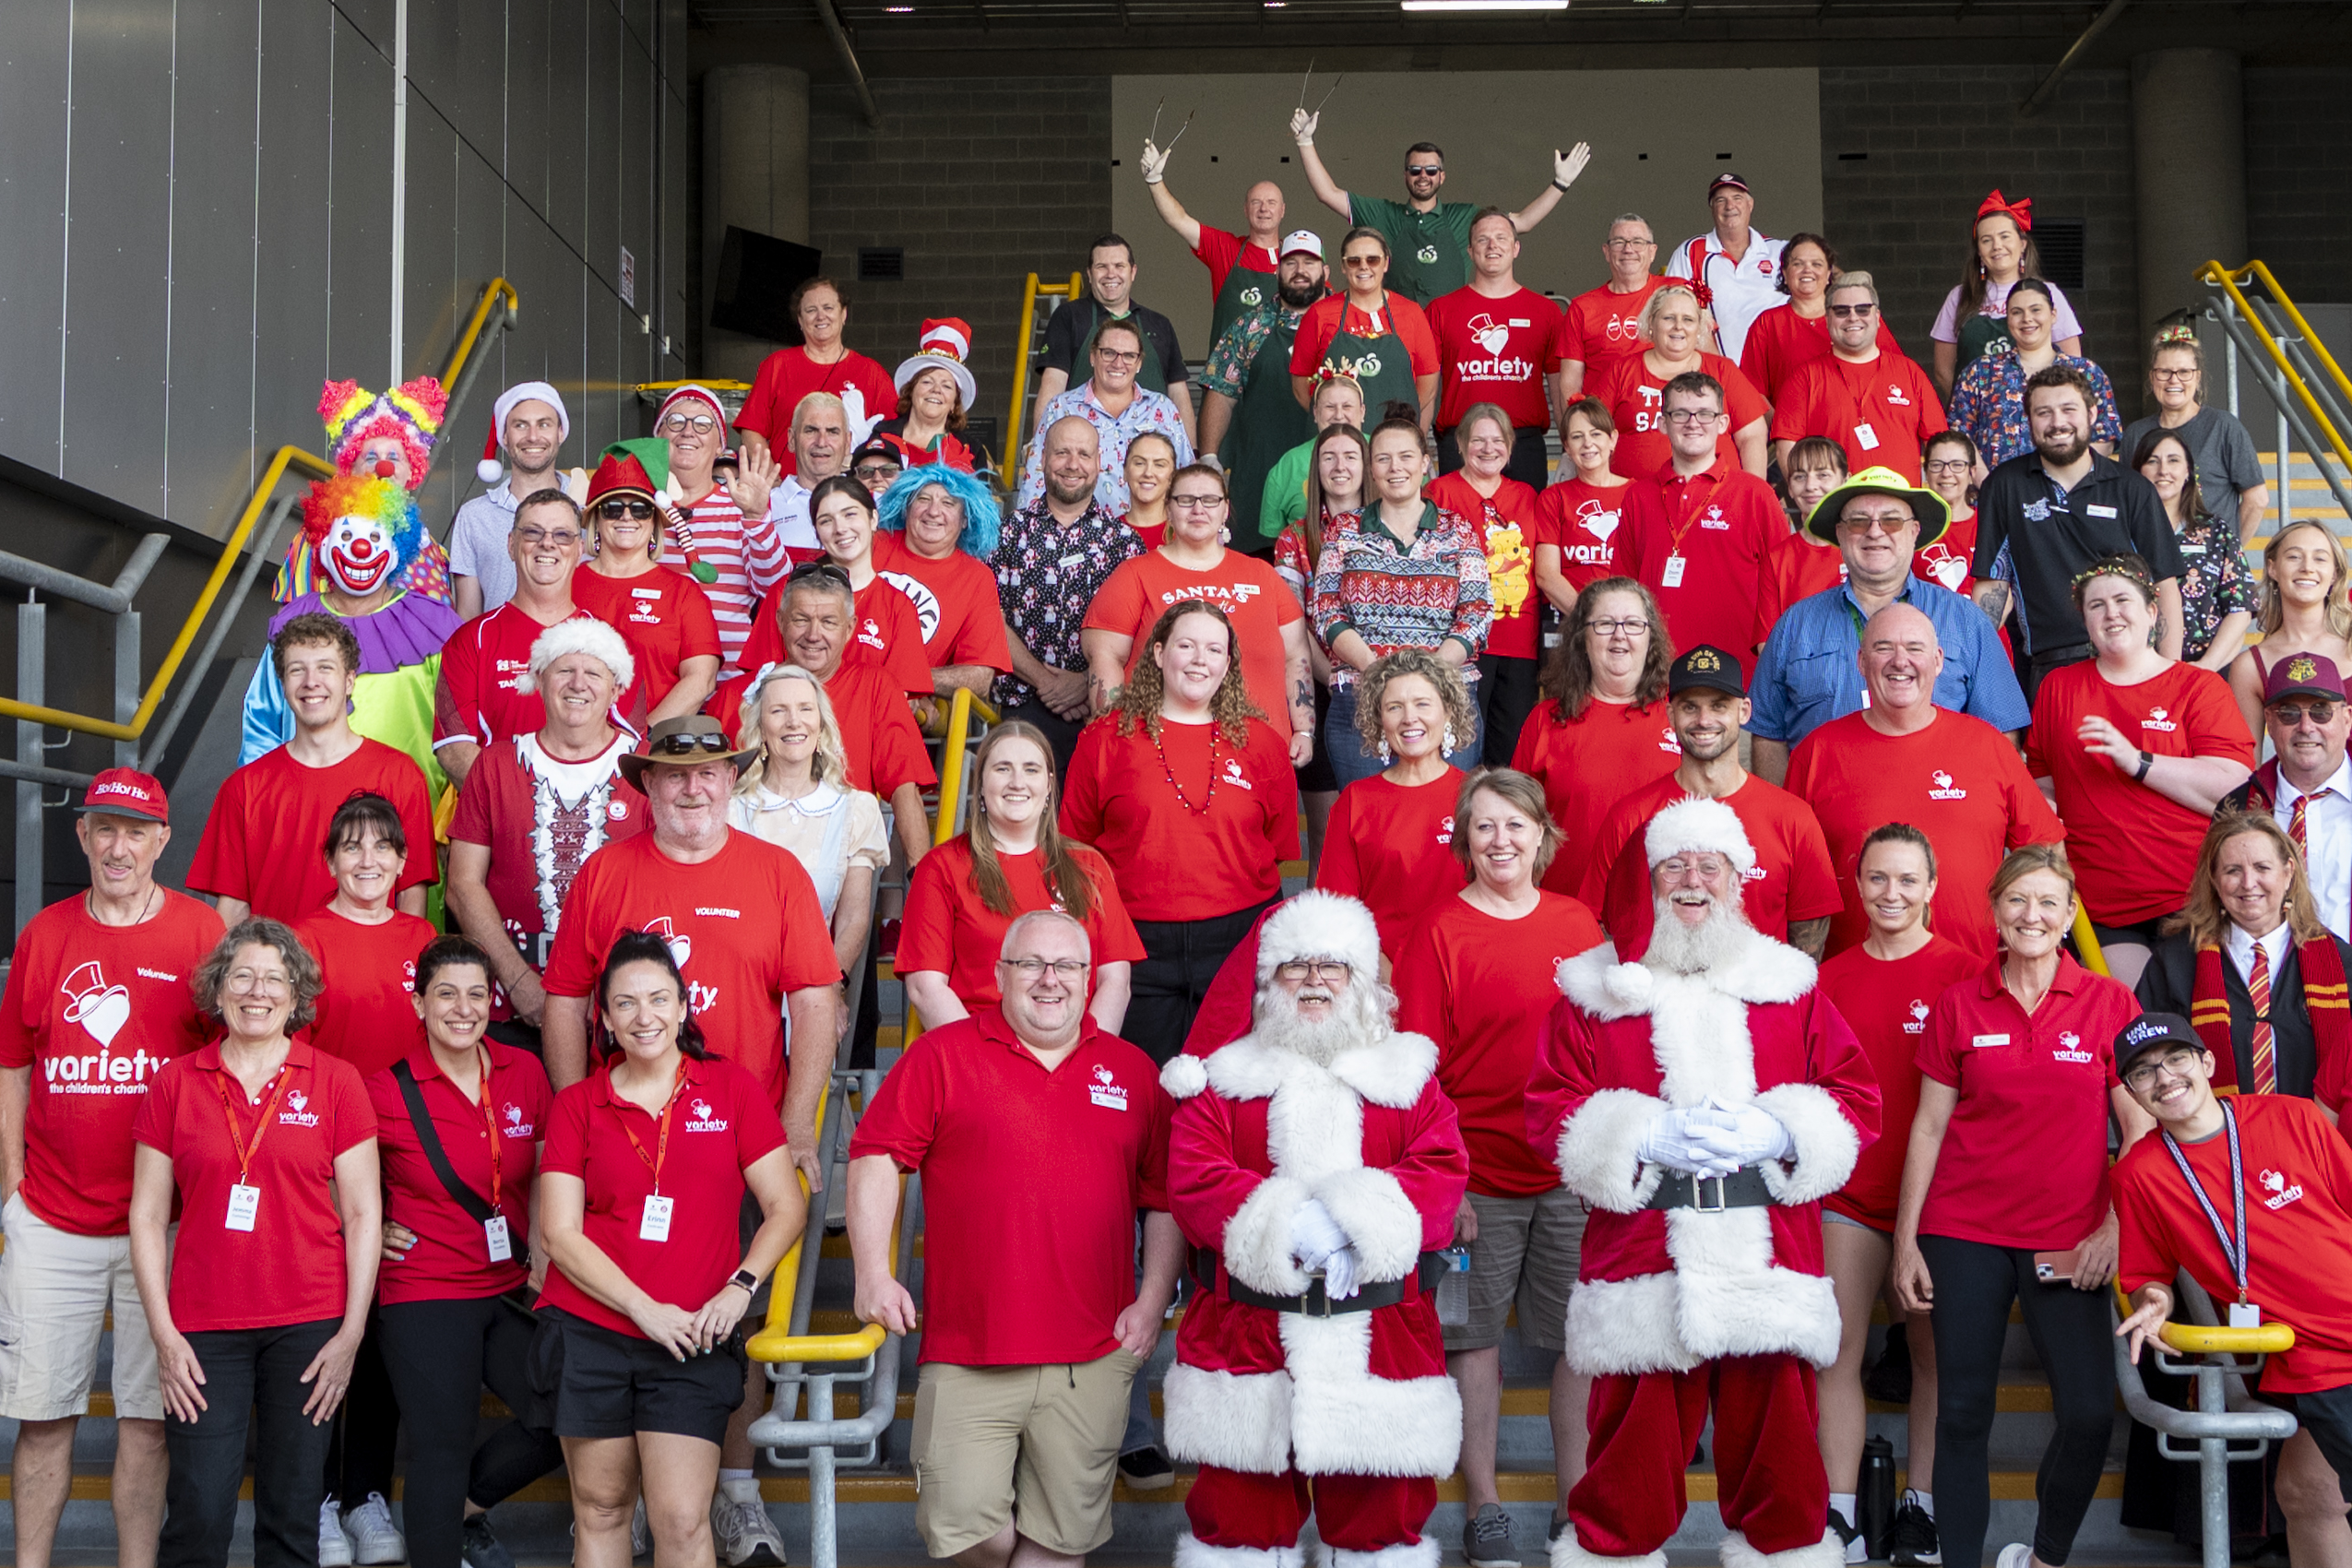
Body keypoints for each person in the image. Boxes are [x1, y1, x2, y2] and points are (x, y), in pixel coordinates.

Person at [1526, 795, 1878, 1568]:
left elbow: (1856, 1099)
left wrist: (1782, 1129)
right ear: (1648, 881)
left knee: (1782, 1463)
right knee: (1628, 1468)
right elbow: (1549, 1108)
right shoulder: (1595, 989)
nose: (1693, 881)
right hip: (1642, 1259)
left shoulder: (1787, 981)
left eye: (1709, 866)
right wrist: (1640, 1133)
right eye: (1674, 866)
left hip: (1767, 1261)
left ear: (1736, 879)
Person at [849, 909, 1178, 1566]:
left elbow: (1164, 1199)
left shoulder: (1135, 1071)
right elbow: (877, 1156)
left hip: (1090, 1357)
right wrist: (871, 1273)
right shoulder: (941, 1056)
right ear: (999, 974)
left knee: (1059, 1546)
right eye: (1031, 963)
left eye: (1067, 966)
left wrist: (1150, 1302)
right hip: (970, 1350)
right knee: (970, 1533)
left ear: (1091, 980)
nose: (1048, 979)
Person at [1157, 889, 1470, 1565]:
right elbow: (1192, 1175)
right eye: (1295, 967)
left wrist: (1355, 1219)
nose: (1315, 981)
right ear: (1267, 983)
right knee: (1237, 1529)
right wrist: (1293, 1223)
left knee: (1379, 1532)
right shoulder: (1224, 1079)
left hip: (1379, 1338)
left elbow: (1441, 1172)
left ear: (1362, 982)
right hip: (1245, 1339)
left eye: (1334, 967)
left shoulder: (1410, 1078)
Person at [1890, 844, 2154, 1568]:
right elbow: (1929, 1127)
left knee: (2090, 1411)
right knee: (1964, 1412)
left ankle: (2045, 1557)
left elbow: (2140, 1134)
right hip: (1963, 1229)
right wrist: (1907, 1242)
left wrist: (2114, 1228)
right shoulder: (1960, 1003)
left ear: (2070, 916)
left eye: (2047, 902)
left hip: (2071, 1235)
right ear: (1996, 915)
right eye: (2016, 901)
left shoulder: (2109, 1003)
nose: (2031, 915)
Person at [0, 770, 220, 1568]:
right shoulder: (46, 935)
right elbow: (12, 1063)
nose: (118, 846)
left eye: (136, 832)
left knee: (147, 1420)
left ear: (163, 841)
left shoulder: (200, 936)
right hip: (51, 1217)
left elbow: (226, 1066)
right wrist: (10, 1188)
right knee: (43, 1418)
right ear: (82, 837)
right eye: (104, 830)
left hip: (160, 1226)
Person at [534, 930, 803, 1568]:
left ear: (683, 1008)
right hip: (591, 1331)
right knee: (600, 1510)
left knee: (682, 1519)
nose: (643, 1016)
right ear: (604, 1018)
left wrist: (741, 1288)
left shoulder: (731, 1089)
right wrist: (641, 1309)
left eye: (658, 999)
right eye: (625, 1003)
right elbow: (560, 1233)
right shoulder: (578, 1106)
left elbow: (786, 1206)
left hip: (693, 1336)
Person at [1393, 770, 1603, 1565]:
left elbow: (1603, 1048)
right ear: (1465, 841)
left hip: (1569, 1174)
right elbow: (1417, 1070)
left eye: (1515, 825)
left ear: (1541, 836)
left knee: (1577, 1339)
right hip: (1476, 1177)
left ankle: (1574, 1500)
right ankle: (1483, 1501)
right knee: (1471, 1338)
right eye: (1484, 827)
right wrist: (1447, 1183)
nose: (1501, 841)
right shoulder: (1439, 930)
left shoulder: (1579, 923)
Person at [129, 920, 381, 1568]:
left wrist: (351, 1334)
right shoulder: (174, 1084)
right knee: (199, 1511)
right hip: (202, 1328)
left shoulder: (337, 1083)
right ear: (217, 992)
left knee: (295, 1513)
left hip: (309, 1328)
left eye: (274, 978)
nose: (257, 991)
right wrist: (163, 1335)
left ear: (298, 995)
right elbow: (148, 1216)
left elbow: (361, 1214)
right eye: (241, 976)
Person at [2113, 1014, 2352, 1568]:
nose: (2165, 1077)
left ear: (2207, 1063)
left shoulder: (2293, 1117)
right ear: (2130, 1093)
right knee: (2307, 1493)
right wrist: (2154, 1302)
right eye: (2144, 1071)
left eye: (2176, 1059)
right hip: (2312, 1358)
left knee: (2306, 1491)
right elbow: (2149, 1272)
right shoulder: (2139, 1175)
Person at [369, 936, 562, 1568]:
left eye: (476, 994)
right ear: (419, 1002)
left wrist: (544, 1262)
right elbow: (336, 1186)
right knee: (441, 1446)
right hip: (425, 1289)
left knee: (565, 1408)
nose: (463, 1008)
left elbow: (544, 1176)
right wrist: (370, 1230)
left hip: (509, 1284)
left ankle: (463, 1512)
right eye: (446, 994)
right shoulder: (385, 1091)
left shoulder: (524, 1071)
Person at [1814, 826, 1972, 1566]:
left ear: (1933, 887)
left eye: (1908, 881)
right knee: (1837, 1352)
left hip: (1937, 1202)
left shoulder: (1964, 975)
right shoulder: (1830, 977)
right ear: (1858, 884)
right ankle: (1839, 1513)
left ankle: (1923, 1507)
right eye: (1878, 879)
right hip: (1850, 1193)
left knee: (1931, 1357)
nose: (1891, 895)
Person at [1061, 601, 1298, 1063]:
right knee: (1140, 1089)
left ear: (1228, 664)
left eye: (1214, 649)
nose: (1199, 659)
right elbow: (1077, 849)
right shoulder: (1104, 739)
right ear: (1157, 653)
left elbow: (1279, 846)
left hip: (1240, 940)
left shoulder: (1262, 743)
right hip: (1135, 943)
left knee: (1235, 1088)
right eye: (1185, 646)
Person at [2026, 554, 2254, 987]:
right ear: (2085, 621)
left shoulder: (2197, 687)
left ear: (2152, 612)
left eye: (2122, 600)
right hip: (2103, 906)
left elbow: (2233, 793)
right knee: (2135, 1030)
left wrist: (2139, 762)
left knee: (2194, 1031)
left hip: (2195, 899)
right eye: (2096, 605)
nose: (2111, 613)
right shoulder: (2059, 686)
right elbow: (2044, 782)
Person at [1785, 603, 2063, 957]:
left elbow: (2045, 853)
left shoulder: (1988, 745)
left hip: (1973, 986)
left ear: (1938, 661)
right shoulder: (1816, 753)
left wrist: (2023, 941)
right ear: (1860, 661)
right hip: (1855, 990)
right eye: (1884, 647)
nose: (1900, 661)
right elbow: (1792, 881)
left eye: (1915, 648)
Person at [444, 620, 646, 1053]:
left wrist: (612, 992)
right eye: (563, 671)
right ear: (538, 680)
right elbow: (462, 886)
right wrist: (519, 982)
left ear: (616, 690)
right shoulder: (496, 764)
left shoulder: (646, 771)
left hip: (623, 1011)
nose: (578, 684)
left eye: (594, 673)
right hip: (507, 1000)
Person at [1750, 466, 2030, 774]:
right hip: (1820, 818)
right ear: (1840, 535)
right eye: (1858, 521)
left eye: (1892, 520)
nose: (1875, 531)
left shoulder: (1965, 621)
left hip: (1938, 812)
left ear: (1914, 532)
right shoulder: (1794, 625)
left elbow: (2002, 734)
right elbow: (1768, 736)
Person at [1579, 646, 1843, 957]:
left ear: (1744, 711)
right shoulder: (1630, 817)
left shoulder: (1792, 818)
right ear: (1670, 714)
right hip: (1660, 1000)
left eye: (1719, 706)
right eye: (1690, 707)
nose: (1704, 720)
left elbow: (1808, 944)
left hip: (1758, 1001)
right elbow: (1601, 928)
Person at [190, 614, 436, 925]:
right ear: (282, 684)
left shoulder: (401, 776)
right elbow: (232, 911)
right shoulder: (244, 787)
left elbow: (410, 901)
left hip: (365, 970)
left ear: (349, 680)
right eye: (297, 670)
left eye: (325, 667)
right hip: (276, 970)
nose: (311, 682)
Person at [900, 721, 1142, 1032]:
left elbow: (1115, 981)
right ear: (981, 784)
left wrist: (1084, 1061)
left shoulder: (1089, 865)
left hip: (1071, 1056)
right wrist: (983, 1064)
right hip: (979, 1057)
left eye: (1031, 769)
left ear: (1049, 785)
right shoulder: (941, 867)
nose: (1017, 782)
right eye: (1002, 769)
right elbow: (926, 987)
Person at [242, 473, 461, 805]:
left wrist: (448, 822)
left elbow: (460, 732)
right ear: (324, 543)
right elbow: (262, 719)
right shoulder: (294, 623)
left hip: (411, 813)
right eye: (346, 535)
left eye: (375, 536)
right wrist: (264, 802)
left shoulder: (433, 624)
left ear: (397, 546)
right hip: (305, 808)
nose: (360, 548)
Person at [1971, 365, 2186, 696]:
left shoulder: (2133, 489)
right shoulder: (2004, 486)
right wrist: (1973, 672)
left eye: (2068, 409)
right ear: (2029, 420)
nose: (2058, 423)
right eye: (2044, 412)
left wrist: (2169, 677)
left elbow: (2164, 585)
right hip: (2048, 669)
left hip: (2129, 664)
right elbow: (1992, 587)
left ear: (2092, 414)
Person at [1084, 463, 1315, 760]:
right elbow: (1104, 658)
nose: (1198, 509)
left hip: (1260, 753)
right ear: (1168, 508)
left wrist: (1305, 730)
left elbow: (1296, 655)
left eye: (1209, 500)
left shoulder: (1262, 575)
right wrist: (1115, 736)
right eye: (1185, 500)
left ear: (1225, 510)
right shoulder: (1134, 574)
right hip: (1160, 754)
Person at [714, 565, 936, 869]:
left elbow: (904, 788)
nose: (813, 635)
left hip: (840, 860)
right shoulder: (735, 695)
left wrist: (920, 882)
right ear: (780, 621)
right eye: (801, 620)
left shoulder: (876, 686)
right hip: (749, 861)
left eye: (828, 622)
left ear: (849, 629)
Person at [1312, 413, 1492, 783]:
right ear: (1371, 468)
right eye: (1383, 458)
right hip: (1360, 698)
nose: (1396, 468)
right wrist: (1377, 670)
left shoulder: (1457, 529)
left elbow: (1477, 613)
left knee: (1445, 822)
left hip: (1445, 697)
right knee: (1368, 820)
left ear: (1425, 464)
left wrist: (1430, 676)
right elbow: (1325, 611)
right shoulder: (1345, 530)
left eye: (1406, 457)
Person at [2137, 812, 2352, 1103]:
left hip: (2314, 1140)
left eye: (2263, 867)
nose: (2249, 883)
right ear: (2214, 879)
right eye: (2232, 871)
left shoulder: (2340, 963)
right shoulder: (2175, 963)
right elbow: (2147, 1062)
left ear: (2289, 872)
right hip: (2210, 1142)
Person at [1289, 113, 1587, 303]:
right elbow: (1327, 193)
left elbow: (1521, 222)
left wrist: (1560, 183)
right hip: (1396, 332)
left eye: (1431, 170)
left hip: (1449, 333)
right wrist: (1305, 142)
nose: (1423, 176)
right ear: (1405, 174)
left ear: (1442, 176)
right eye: (1415, 169)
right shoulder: (1385, 215)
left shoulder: (1465, 217)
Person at [726, 663, 890, 1000]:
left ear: (821, 722)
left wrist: (826, 994)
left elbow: (853, 920)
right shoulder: (729, 810)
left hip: (818, 986)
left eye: (805, 709)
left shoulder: (854, 810)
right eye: (778, 710)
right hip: (739, 987)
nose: (794, 721)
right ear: (760, 727)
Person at [1510, 578, 1682, 895]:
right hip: (1568, 912)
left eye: (1632, 624)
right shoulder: (1546, 720)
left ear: (1650, 637)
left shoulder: (1678, 716)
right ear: (1582, 638)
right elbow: (1516, 821)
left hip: (1661, 914)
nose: (1620, 634)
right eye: (1604, 624)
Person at [434, 490, 613, 788]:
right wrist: (525, 806)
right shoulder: (468, 641)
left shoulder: (609, 644)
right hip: (498, 823)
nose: (547, 543)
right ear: (511, 544)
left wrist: (570, 808)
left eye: (562, 535)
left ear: (580, 548)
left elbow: (627, 744)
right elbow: (453, 749)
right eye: (532, 532)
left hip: (589, 823)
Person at [995, 416, 1144, 771]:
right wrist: (1045, 681)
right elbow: (989, 619)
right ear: (1042, 459)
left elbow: (1141, 630)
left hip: (1101, 709)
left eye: (1083, 454)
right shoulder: (1008, 533)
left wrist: (1085, 683)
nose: (1072, 464)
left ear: (1098, 464)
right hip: (1024, 705)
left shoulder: (1124, 543)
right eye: (1061, 452)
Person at [1315, 651, 1475, 967]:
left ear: (1449, 713)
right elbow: (1336, 909)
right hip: (1381, 977)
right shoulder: (1355, 801)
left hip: (1467, 969)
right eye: (1394, 707)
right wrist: (1385, 976)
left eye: (1422, 704)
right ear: (1379, 720)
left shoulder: (1478, 795)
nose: (1409, 718)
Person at [1618, 372, 1779, 678]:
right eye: (1680, 413)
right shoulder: (1637, 497)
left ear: (1723, 423)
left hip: (1738, 680)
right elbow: (1624, 589)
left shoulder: (1756, 495)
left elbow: (1782, 587)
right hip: (1658, 677)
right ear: (1662, 423)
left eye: (1705, 413)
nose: (1693, 423)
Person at [738, 475, 932, 701]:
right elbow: (762, 682)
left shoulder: (898, 606)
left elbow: (898, 697)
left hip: (864, 729)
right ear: (816, 532)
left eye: (850, 514)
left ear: (873, 519)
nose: (840, 528)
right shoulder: (786, 591)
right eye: (826, 521)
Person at [571, 443, 723, 728]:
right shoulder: (564, 583)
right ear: (595, 518)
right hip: (571, 747)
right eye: (613, 508)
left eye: (641, 509)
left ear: (654, 520)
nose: (627, 517)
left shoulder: (684, 594)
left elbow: (701, 680)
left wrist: (638, 737)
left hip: (653, 751)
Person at [1426, 403, 1544, 762]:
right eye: (1478, 440)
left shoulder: (1526, 495)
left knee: (1509, 750)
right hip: (1460, 640)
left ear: (1509, 447)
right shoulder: (1438, 492)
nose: (1488, 448)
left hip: (1518, 640)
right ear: (1460, 445)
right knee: (1460, 745)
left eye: (1497, 440)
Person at [292, 793, 436, 1084]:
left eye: (382, 847)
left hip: (414, 1115)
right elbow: (290, 1050)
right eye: (353, 848)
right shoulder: (301, 940)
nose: (368, 861)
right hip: (334, 1109)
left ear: (401, 861)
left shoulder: (423, 936)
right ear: (331, 862)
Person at [1277, 422, 1369, 866]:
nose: (1340, 466)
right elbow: (1291, 625)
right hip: (1323, 689)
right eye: (1329, 457)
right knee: (1328, 834)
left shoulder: (1387, 527)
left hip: (1384, 689)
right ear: (1315, 469)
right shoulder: (1294, 538)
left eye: (1351, 456)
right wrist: (1336, 678)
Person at [1196, 231, 1327, 531]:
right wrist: (1210, 457)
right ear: (1277, 271)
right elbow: (1221, 392)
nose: (1300, 271)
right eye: (1291, 263)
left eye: (1309, 262)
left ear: (1326, 272)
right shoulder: (1249, 325)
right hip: (1259, 471)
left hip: (1330, 471)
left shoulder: (1343, 321)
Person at [283, 375, 453, 606]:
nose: (383, 468)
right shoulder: (316, 540)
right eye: (371, 457)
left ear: (411, 472)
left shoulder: (433, 551)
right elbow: (293, 621)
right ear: (351, 469)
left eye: (394, 458)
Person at [651, 385, 786, 671]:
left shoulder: (740, 503)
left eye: (703, 424)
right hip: (650, 679)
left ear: (719, 446)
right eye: (675, 422)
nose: (688, 432)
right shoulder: (637, 506)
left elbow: (776, 588)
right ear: (658, 437)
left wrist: (756, 515)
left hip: (724, 686)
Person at [2219, 653, 2352, 942]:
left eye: (2321, 712)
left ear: (2346, 718)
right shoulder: (2236, 808)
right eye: (2289, 714)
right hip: (2270, 980)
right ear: (2269, 720)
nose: (2306, 727)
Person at [1426, 209, 1564, 486]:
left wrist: (1570, 447)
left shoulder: (1547, 312)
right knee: (1458, 528)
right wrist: (1418, 447)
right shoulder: (1441, 310)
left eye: (1501, 238)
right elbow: (1426, 391)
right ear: (1469, 250)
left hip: (1523, 444)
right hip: (1460, 443)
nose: (1492, 246)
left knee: (1524, 529)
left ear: (1516, 248)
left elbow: (1561, 389)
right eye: (1483, 239)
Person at [1768, 272, 1945, 485]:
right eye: (1842, 311)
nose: (1853, 317)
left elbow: (1938, 444)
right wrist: (1808, 497)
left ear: (1878, 317)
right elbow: (1787, 448)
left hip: (1901, 509)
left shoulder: (1910, 372)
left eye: (1862, 309)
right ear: (1827, 319)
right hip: (1834, 510)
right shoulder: (1803, 377)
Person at [1588, 283, 1769, 485]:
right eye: (1669, 318)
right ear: (1651, 322)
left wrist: (1754, 493)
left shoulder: (1723, 370)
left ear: (1700, 327)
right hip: (1633, 501)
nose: (1678, 326)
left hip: (1717, 500)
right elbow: (1590, 430)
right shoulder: (1621, 370)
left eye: (1688, 319)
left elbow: (1752, 436)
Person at [1020, 318, 1194, 514]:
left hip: (1153, 535)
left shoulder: (1163, 409)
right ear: (1093, 356)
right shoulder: (1061, 408)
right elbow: (1036, 479)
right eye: (1109, 353)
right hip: (1081, 536)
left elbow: (1186, 479)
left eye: (1129, 355)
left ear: (1139, 363)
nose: (1118, 363)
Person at [1035, 233, 1195, 445]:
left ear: (1133, 272)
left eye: (1119, 266)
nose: (1111, 274)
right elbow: (1053, 383)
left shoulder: (1159, 324)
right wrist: (1042, 445)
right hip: (1085, 450)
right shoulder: (1069, 316)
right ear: (1090, 274)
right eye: (1102, 266)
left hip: (1154, 455)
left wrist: (1192, 451)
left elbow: (1178, 393)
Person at [873, 462, 1011, 703]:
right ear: (906, 509)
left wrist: (911, 682)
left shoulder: (976, 578)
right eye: (923, 499)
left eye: (948, 503)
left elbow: (979, 676)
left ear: (966, 519)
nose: (933, 511)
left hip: (909, 709)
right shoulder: (874, 544)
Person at [1947, 279, 2122, 469]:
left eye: (2036, 310)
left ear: (2053, 314)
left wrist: (2068, 480)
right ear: (2007, 319)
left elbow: (2105, 436)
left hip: (2067, 494)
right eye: (2017, 312)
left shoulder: (2086, 372)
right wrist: (1990, 487)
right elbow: (1959, 437)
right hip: (1994, 494)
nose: (2027, 319)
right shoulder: (1980, 371)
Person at [1929, 190, 2086, 398]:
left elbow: (2072, 362)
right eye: (1986, 240)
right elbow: (1943, 369)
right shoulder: (1959, 297)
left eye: (2005, 236)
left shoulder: (2049, 293)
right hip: (1977, 422)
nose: (1997, 246)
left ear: (2022, 244)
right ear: (1978, 251)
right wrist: (1971, 407)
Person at [2120, 325, 2270, 542]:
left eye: (2184, 372)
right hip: (2151, 557)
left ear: (2197, 377)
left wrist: (2229, 553)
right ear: (2152, 378)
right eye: (2164, 372)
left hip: (2208, 562)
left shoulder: (2223, 426)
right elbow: (2128, 501)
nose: (2174, 380)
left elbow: (2257, 499)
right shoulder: (2136, 434)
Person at [734, 278, 898, 476]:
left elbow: (893, 438)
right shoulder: (777, 365)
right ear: (800, 320)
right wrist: (772, 478)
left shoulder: (872, 373)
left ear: (843, 314)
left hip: (850, 494)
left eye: (828, 308)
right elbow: (752, 430)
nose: (821, 316)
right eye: (811, 310)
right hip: (788, 491)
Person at [1138, 132, 1287, 345]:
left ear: (1282, 210)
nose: (1264, 208)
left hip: (1280, 374)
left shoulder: (1298, 256)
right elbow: (1179, 220)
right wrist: (1154, 180)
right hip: (1228, 375)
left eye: (1271, 202)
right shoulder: (1226, 248)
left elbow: (1326, 308)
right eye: (1256, 202)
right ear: (1245, 210)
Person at [1288, 227, 1441, 428]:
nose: (1363, 267)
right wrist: (1333, 422)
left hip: (1392, 445)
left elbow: (1428, 382)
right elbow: (1301, 386)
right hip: (1337, 444)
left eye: (1372, 260)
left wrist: (1400, 423)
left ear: (1386, 263)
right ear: (1343, 266)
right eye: (1354, 261)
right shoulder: (1319, 314)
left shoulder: (1411, 313)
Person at [1531, 399, 1668, 618]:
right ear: (1566, 446)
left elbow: (1650, 568)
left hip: (1626, 619)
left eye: (1596, 434)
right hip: (1569, 618)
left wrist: (1619, 619)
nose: (1587, 443)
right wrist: (1591, 618)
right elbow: (1547, 574)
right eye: (1577, 436)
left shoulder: (1639, 495)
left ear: (1613, 439)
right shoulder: (1553, 497)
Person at [2137, 428, 2257, 671]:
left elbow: (2240, 607)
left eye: (2173, 460)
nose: (2163, 470)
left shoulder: (2216, 532)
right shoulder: (2125, 531)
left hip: (2206, 666)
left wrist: (2206, 667)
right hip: (2137, 667)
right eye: (2152, 461)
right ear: (2138, 471)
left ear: (2188, 471)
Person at [1739, 232, 1899, 410]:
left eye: (1816, 264)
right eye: (1798, 264)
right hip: (1792, 433)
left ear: (1829, 273)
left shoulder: (1858, 317)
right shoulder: (1768, 323)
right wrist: (1781, 428)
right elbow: (1752, 391)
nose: (1807, 270)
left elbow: (1895, 371)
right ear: (1784, 272)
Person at [452, 383, 569, 619]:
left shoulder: (588, 504)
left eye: (544, 424)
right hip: (498, 654)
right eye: (520, 425)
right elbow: (468, 616)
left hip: (575, 653)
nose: (533, 436)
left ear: (560, 432)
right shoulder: (474, 516)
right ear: (504, 437)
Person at [2229, 520, 2352, 738]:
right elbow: (2248, 765)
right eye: (2294, 557)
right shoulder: (2249, 666)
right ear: (2272, 568)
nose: (2307, 567)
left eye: (2320, 558)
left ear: (2334, 574)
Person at [1664, 172, 1790, 362]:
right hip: (1715, 375)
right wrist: (1720, 370)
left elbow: (1818, 283)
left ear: (1750, 204)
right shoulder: (1690, 252)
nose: (1730, 206)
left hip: (1777, 372)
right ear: (1712, 208)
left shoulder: (1781, 251)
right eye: (1720, 200)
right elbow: (1671, 312)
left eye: (1737, 198)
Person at [1555, 214, 1667, 401]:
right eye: (1619, 242)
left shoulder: (1675, 293)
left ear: (1652, 251)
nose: (1628, 249)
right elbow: (1570, 383)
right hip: (1604, 422)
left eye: (1638, 242)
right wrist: (1577, 426)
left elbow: (1706, 357)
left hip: (1666, 420)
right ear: (1606, 252)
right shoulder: (1582, 307)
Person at [1752, 437, 1850, 645]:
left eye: (1823, 475)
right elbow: (1767, 646)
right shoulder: (1778, 558)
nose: (1810, 486)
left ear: (1846, 480)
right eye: (1799, 477)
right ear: (1789, 487)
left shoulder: (1870, 546)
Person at [1256, 369, 1367, 545]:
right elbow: (1273, 539)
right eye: (1330, 407)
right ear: (1315, 413)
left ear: (1362, 411)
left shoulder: (1383, 452)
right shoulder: (1289, 463)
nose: (1339, 415)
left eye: (1347, 406)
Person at [878, 317, 980, 473]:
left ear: (954, 403)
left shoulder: (972, 451)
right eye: (927, 382)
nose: (936, 390)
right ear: (911, 391)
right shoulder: (881, 437)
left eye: (946, 386)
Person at [766, 391, 850, 552]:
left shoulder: (871, 503)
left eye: (832, 432)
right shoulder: (763, 505)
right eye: (811, 431)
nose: (821, 442)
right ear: (791, 440)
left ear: (847, 443)